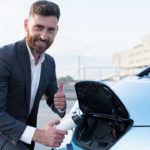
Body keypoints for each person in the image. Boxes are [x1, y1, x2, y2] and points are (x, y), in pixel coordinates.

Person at [0, 0, 67, 149]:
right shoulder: (4, 57)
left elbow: (52, 98)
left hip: (25, 140)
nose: (44, 36)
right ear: (26, 25)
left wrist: (59, 105)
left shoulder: (49, 63)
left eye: (50, 30)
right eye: (39, 27)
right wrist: (38, 134)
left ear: (56, 30)